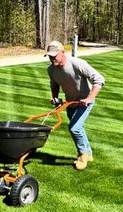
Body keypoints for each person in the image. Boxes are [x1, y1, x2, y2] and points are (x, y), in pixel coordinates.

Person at [45, 40, 105, 170]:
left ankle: (82, 156)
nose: (52, 58)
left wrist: (89, 98)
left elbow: (99, 79)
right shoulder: (51, 70)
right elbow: (54, 84)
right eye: (50, 56)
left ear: (62, 52)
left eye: (54, 55)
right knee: (77, 128)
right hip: (70, 103)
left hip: (85, 102)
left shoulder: (77, 64)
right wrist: (55, 97)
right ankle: (88, 154)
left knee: (75, 128)